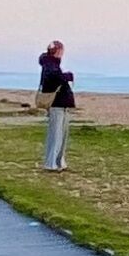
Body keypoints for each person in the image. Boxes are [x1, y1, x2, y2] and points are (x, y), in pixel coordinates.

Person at [37, 40, 77, 170]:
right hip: (56, 104)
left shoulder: (52, 64)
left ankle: (59, 162)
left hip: (62, 103)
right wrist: (67, 76)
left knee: (62, 134)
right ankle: (51, 163)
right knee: (56, 134)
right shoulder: (49, 64)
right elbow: (52, 79)